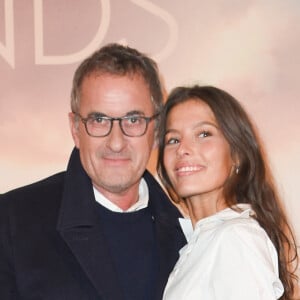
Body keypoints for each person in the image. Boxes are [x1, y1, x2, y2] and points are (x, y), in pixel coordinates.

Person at [0, 43, 187, 300]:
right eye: (99, 120)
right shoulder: (11, 223)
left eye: (133, 120)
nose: (116, 142)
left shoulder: (188, 236)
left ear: (156, 131)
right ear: (76, 129)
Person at [157, 85, 298, 300]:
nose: (182, 149)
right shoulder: (201, 243)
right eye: (173, 139)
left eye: (203, 134)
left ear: (238, 155)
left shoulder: (235, 237)